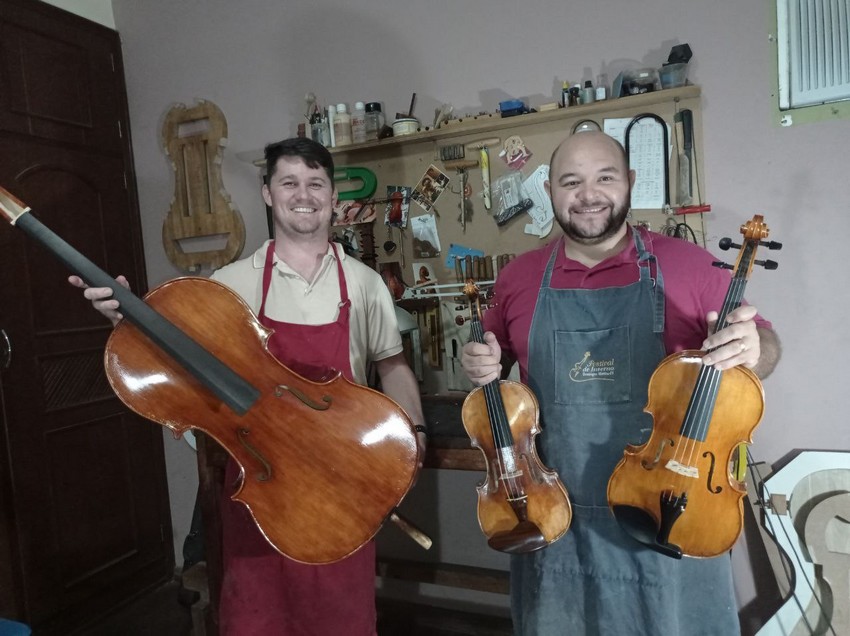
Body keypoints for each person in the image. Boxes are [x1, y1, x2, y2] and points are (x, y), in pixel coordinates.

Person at [70, 137, 426, 636]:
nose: (303, 194)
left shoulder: (364, 283)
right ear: (267, 193)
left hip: (339, 486)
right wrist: (128, 320)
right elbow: (183, 373)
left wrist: (415, 433)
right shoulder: (230, 284)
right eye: (289, 182)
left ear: (331, 195)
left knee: (341, 621)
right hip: (259, 483)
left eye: (315, 183)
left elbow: (392, 366)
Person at [461, 131, 781, 635]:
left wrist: (755, 350)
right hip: (553, 509)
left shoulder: (692, 266)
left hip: (667, 504)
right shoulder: (516, 279)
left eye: (605, 178)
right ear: (549, 190)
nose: (589, 194)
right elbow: (490, 366)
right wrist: (479, 363)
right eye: (571, 181)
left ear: (631, 182)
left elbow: (764, 348)